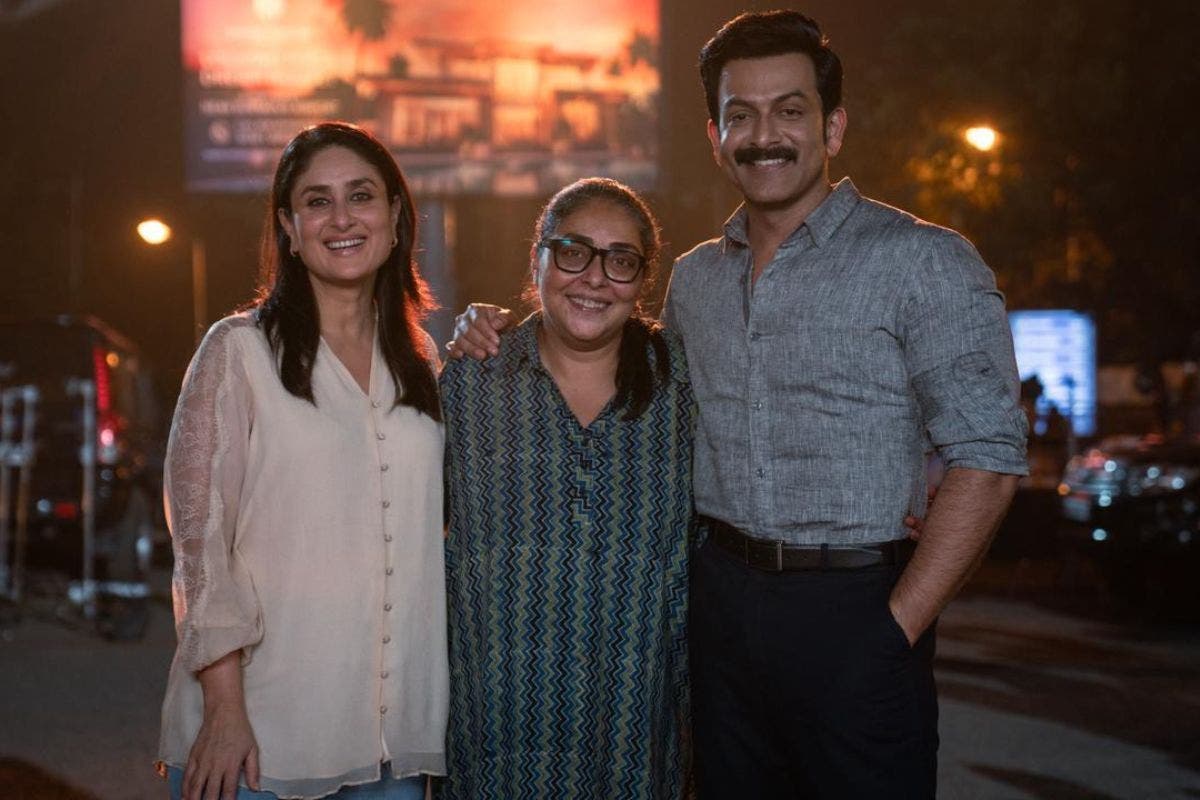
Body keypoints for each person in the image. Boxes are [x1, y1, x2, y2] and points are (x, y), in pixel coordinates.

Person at [449, 10, 1028, 798]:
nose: (764, 136)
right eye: (741, 115)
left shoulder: (922, 261)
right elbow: (612, 363)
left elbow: (988, 457)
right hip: (715, 614)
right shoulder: (695, 280)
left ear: (832, 127)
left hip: (856, 608)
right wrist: (483, 327)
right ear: (716, 137)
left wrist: (895, 629)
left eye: (789, 110)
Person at [157, 122, 447, 800]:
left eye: (361, 196)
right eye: (317, 201)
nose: (341, 218)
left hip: (393, 745)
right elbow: (200, 546)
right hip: (261, 736)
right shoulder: (238, 351)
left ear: (395, 217)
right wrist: (224, 710)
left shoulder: (425, 363)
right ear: (289, 228)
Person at [439, 178, 693, 799]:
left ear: (643, 280)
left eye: (621, 261)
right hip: (495, 727)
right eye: (574, 252)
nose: (595, 278)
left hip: (635, 726)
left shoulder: (682, 383)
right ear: (539, 259)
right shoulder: (474, 380)